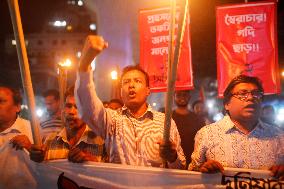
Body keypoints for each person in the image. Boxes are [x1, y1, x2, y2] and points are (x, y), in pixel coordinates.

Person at [75, 35, 185, 169]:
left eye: (137, 81)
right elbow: (87, 106)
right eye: (126, 82)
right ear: (121, 91)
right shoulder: (112, 120)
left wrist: (172, 157)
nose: (131, 85)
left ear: (148, 90)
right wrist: (84, 64)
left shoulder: (165, 122)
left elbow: (182, 168)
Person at [188, 75, 284, 179]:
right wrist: (204, 170)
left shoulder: (278, 136)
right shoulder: (207, 134)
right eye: (242, 94)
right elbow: (191, 176)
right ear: (227, 104)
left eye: (256, 94)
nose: (251, 98)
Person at [30, 87, 107, 163]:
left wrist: (92, 162)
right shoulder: (49, 141)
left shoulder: (101, 142)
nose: (71, 112)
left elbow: (111, 172)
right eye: (68, 106)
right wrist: (36, 158)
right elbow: (44, 172)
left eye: (78, 107)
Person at [172, 90, 205, 168]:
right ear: (174, 97)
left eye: (185, 95)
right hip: (173, 161)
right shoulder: (167, 118)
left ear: (189, 97)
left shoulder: (198, 119)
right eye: (179, 95)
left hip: (193, 162)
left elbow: (202, 142)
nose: (182, 98)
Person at [0, 85, 33, 151]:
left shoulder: (32, 130)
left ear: (17, 107)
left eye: (1, 101)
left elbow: (46, 159)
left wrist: (30, 148)